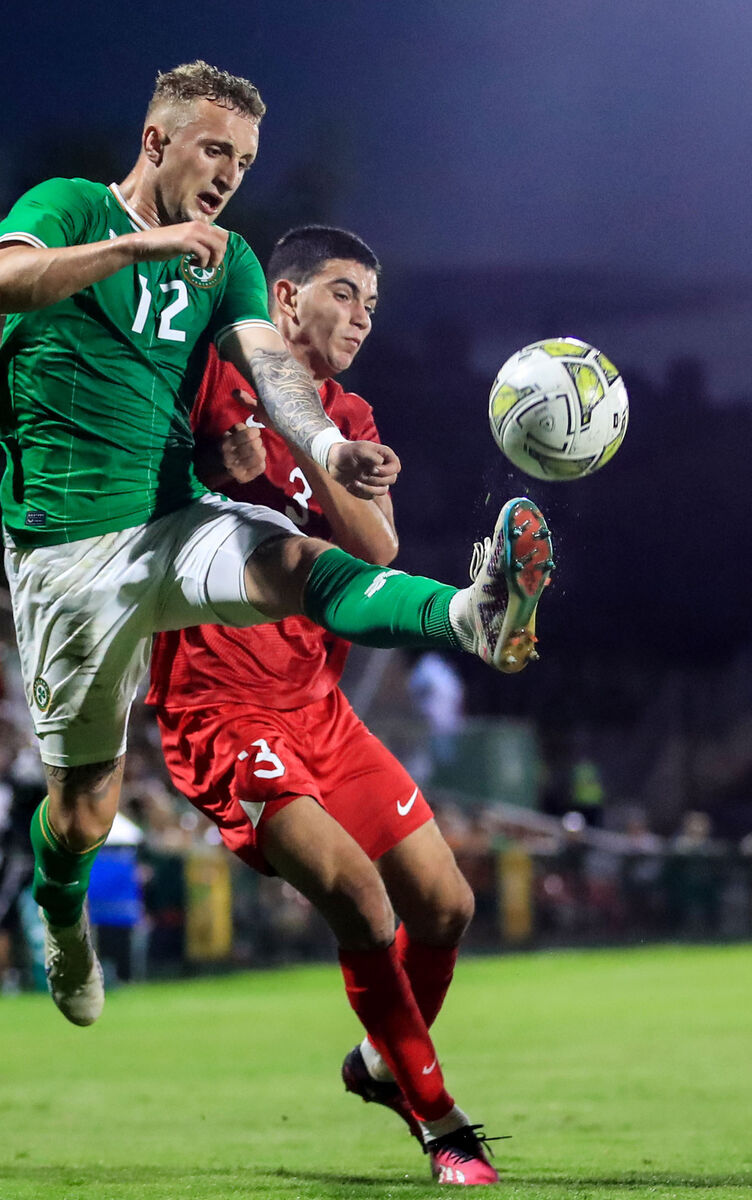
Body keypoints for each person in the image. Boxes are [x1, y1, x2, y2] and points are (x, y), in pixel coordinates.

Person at [0, 58, 552, 1175]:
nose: (228, 177)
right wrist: (139, 249)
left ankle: (474, 615)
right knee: (83, 814)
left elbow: (273, 374)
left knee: (292, 565)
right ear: (156, 139)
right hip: (65, 565)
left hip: (173, 535)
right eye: (211, 151)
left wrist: (323, 446)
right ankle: (58, 905)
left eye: (242, 160)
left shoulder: (230, 265)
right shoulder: (71, 209)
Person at [148, 224, 503, 1184]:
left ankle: (383, 1065)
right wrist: (219, 465)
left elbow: (377, 548)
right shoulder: (211, 364)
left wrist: (336, 465)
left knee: (447, 904)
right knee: (357, 892)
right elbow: (150, 491)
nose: (362, 317)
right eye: (345, 294)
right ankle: (441, 1123)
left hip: (317, 704)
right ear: (288, 293)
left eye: (374, 306)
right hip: (220, 702)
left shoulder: (350, 410)